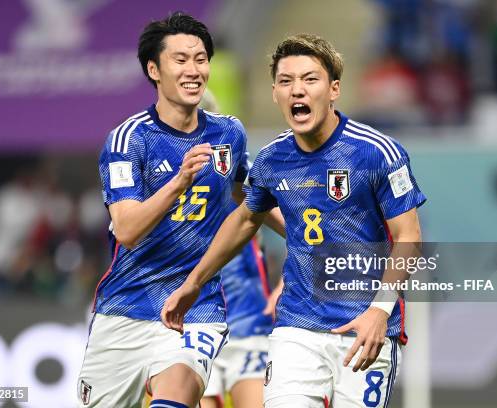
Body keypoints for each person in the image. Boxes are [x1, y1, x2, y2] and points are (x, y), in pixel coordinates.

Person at [162, 33, 426, 408]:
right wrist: (193, 282)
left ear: (334, 89)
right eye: (286, 82)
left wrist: (380, 310)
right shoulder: (272, 161)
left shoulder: (376, 152)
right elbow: (245, 220)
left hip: (365, 328)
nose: (297, 91)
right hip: (297, 329)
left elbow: (409, 235)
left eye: (309, 79)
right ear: (274, 93)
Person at [76, 12, 283, 408]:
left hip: (196, 306)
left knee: (175, 397)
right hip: (126, 308)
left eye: (201, 59)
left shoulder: (228, 134)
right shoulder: (129, 140)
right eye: (181, 60)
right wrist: (178, 182)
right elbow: (127, 230)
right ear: (154, 69)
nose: (194, 70)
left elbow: (254, 197)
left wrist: (316, 249)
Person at [197, 90, 277, 408]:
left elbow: (296, 228)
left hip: (248, 321)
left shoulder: (240, 175)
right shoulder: (164, 180)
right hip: (193, 324)